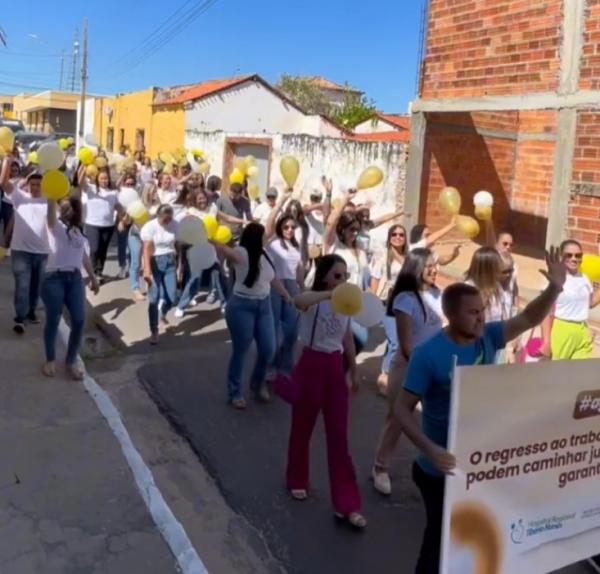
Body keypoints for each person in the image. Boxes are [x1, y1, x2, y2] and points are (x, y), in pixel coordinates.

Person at [395, 248, 566, 574]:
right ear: (452, 315)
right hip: (438, 472)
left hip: (477, 467)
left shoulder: (489, 336)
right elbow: (402, 411)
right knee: (439, 543)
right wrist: (431, 450)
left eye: (482, 310)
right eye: (473, 313)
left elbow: (529, 318)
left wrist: (554, 288)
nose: (482, 318)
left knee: (475, 542)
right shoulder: (428, 355)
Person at [286, 254, 365, 529]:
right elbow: (298, 301)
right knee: (303, 428)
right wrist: (326, 294)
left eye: (346, 276)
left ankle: (348, 503)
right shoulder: (315, 300)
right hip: (311, 364)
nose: (343, 281)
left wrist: (352, 368)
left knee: (339, 438)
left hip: (334, 366)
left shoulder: (345, 305)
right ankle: (297, 478)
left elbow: (346, 337)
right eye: (337, 275)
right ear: (325, 276)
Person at [372, 248, 443, 496]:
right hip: (409, 366)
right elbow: (406, 345)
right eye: (430, 266)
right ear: (417, 268)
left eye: (437, 265)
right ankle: (380, 467)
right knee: (399, 417)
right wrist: (426, 367)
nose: (435, 270)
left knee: (440, 416)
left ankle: (440, 466)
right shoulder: (405, 300)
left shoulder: (439, 294)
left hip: (436, 365)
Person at [214, 222, 292, 409]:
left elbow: (273, 278)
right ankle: (235, 391)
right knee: (241, 350)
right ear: (255, 238)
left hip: (263, 306)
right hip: (242, 306)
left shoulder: (265, 254)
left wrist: (286, 295)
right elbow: (226, 250)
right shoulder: (241, 252)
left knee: (268, 348)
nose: (267, 237)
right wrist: (214, 241)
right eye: (263, 235)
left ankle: (257, 383)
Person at [42, 197, 99, 379]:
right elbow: (51, 217)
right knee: (53, 319)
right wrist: (51, 196)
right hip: (54, 279)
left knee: (79, 320)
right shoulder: (55, 226)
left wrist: (92, 277)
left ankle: (71, 361)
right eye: (66, 208)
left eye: (73, 208)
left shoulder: (78, 231)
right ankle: (50, 359)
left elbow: (83, 256)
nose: (70, 211)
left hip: (75, 279)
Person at [0, 161, 49, 334]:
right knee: (22, 285)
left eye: (38, 184)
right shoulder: (20, 197)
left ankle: (30, 312)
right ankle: (20, 318)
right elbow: (3, 183)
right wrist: (6, 160)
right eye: (32, 184)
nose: (35, 187)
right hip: (21, 252)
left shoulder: (49, 201)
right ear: (27, 185)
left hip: (42, 253)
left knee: (36, 287)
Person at [323, 184, 370, 353]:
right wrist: (345, 201)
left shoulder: (360, 250)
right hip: (334, 302)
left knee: (357, 342)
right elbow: (329, 224)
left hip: (355, 303)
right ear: (342, 230)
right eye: (351, 229)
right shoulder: (334, 246)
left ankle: (343, 373)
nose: (355, 233)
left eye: (358, 230)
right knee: (349, 342)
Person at [265, 191, 305, 374]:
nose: (290, 230)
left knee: (292, 330)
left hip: (292, 287)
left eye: (292, 227)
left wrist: (302, 288)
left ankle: (285, 366)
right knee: (273, 329)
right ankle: (270, 367)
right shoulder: (272, 242)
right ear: (280, 227)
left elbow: (299, 269)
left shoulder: (296, 246)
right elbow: (269, 222)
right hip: (275, 286)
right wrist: (281, 200)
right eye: (286, 227)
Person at [541, 239, 600, 361]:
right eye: (569, 255)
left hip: (582, 330)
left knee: (578, 374)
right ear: (561, 256)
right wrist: (546, 341)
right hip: (562, 330)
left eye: (578, 255)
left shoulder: (584, 278)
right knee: (558, 374)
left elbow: (590, 302)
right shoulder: (555, 279)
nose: (574, 259)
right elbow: (545, 313)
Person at [369, 224, 408, 395]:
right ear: (389, 237)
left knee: (395, 341)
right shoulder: (383, 257)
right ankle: (385, 376)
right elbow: (375, 282)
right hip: (388, 303)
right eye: (394, 234)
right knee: (395, 342)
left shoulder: (409, 257)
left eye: (401, 234)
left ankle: (391, 372)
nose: (398, 237)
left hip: (406, 304)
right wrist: (373, 304)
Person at [141, 204, 180, 345]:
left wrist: (180, 266)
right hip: (155, 261)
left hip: (170, 261)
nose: (167, 221)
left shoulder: (175, 225)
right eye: (165, 219)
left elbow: (177, 245)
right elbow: (146, 248)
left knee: (172, 296)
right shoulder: (149, 227)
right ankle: (154, 331)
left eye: (170, 218)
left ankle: (162, 314)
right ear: (159, 216)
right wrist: (147, 270)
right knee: (154, 298)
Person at [78, 166, 121, 282]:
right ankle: (92, 273)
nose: (104, 181)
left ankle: (99, 272)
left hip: (108, 225)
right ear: (97, 179)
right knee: (94, 249)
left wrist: (123, 217)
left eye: (106, 179)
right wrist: (84, 166)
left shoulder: (113, 192)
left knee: (103, 251)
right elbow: (80, 181)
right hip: (92, 224)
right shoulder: (91, 189)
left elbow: (117, 206)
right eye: (102, 179)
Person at [464, 246, 510, 322]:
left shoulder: (496, 286)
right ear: (488, 268)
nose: (500, 268)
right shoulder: (467, 290)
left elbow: (503, 315)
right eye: (497, 265)